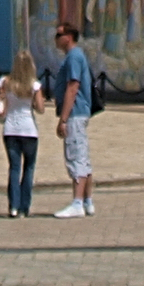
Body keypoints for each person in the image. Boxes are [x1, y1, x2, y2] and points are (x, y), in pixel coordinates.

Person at [47, 20, 96, 217]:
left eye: (59, 35)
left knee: (76, 156)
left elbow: (72, 86)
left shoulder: (74, 57)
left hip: (75, 113)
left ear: (69, 37)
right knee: (83, 157)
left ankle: (77, 203)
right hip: (78, 112)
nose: (56, 40)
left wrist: (64, 118)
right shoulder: (74, 56)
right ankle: (87, 200)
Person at [0, 52, 45, 217]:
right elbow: (40, 108)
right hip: (29, 130)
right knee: (29, 168)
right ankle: (25, 207)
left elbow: (3, 104)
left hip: (10, 129)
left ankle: (13, 206)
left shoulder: (5, 82)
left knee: (14, 168)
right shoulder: (34, 85)